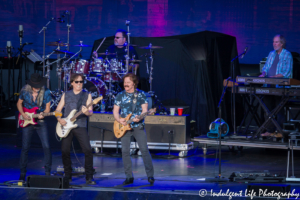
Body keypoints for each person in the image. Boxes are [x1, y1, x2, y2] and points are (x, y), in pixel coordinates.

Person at [113, 73, 154, 185]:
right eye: (124, 82)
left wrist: (139, 117)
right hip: (124, 127)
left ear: (134, 83)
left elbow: (145, 111)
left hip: (138, 126)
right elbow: (116, 111)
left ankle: (150, 176)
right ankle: (129, 177)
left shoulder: (141, 95)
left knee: (144, 150)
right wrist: (119, 119)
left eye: (128, 82)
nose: (125, 84)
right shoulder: (120, 95)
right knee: (125, 152)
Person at [55, 73, 96, 185]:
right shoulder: (66, 95)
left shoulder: (87, 95)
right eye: (77, 82)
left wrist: (87, 112)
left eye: (81, 82)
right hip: (66, 125)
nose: (79, 84)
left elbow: (90, 112)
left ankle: (89, 176)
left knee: (87, 150)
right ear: (72, 83)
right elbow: (58, 109)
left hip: (80, 125)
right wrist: (59, 119)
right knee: (65, 151)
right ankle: (67, 175)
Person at [17, 73, 52, 181]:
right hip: (27, 120)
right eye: (35, 85)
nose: (37, 87)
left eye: (39, 85)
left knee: (46, 146)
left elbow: (47, 109)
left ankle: (47, 172)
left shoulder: (46, 92)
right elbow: (19, 103)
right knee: (25, 147)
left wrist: (43, 114)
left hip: (40, 121)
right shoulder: (24, 90)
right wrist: (23, 114)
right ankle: (22, 173)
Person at [259, 35, 293, 138]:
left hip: (280, 86)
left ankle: (280, 131)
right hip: (269, 85)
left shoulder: (287, 55)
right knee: (268, 109)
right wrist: (263, 74)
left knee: (279, 109)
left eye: (277, 42)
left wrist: (273, 77)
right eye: (273, 42)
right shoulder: (271, 54)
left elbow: (286, 72)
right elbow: (266, 67)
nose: (274, 44)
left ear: (282, 44)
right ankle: (269, 130)